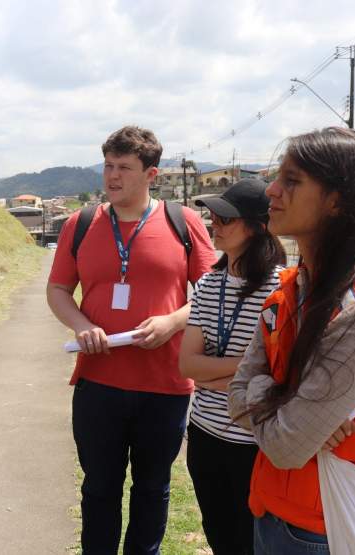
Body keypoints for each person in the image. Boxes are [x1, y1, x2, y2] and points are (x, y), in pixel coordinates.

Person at [227, 127, 355, 554]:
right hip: (270, 512)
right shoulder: (292, 289)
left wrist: (275, 402)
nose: (272, 191)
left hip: (318, 532)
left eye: (292, 181)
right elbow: (235, 395)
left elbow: (284, 446)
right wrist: (289, 404)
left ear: (337, 201)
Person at [47, 126, 217, 554]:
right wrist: (81, 325)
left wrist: (174, 321)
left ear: (151, 174)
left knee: (152, 489)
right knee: (99, 487)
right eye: (108, 166)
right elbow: (58, 290)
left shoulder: (184, 223)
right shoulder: (80, 224)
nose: (112, 176)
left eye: (124, 167)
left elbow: (216, 291)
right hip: (98, 383)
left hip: (165, 384)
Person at [177, 179, 286, 555]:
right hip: (204, 433)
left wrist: (221, 374)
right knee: (219, 536)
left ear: (258, 226)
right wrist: (243, 372)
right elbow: (186, 364)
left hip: (252, 441)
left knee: (251, 541)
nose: (214, 224)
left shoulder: (281, 288)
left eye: (226, 217)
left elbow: (277, 375)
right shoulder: (208, 284)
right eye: (212, 216)